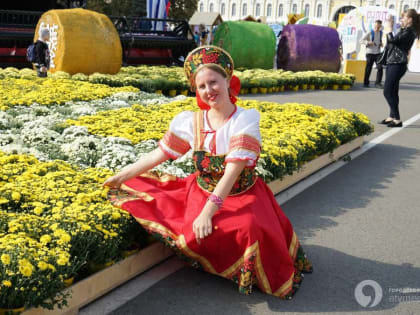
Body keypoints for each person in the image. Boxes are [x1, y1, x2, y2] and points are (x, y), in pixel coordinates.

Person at [103, 46, 313, 299]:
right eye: (201, 87)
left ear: (228, 81)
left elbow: (232, 172)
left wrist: (207, 213)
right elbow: (159, 155)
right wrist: (122, 176)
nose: (208, 91)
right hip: (200, 192)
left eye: (213, 82)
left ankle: (251, 273)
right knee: (190, 235)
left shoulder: (244, 119)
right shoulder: (191, 122)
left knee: (249, 228)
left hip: (242, 193)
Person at [379, 9, 419, 128]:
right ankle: (392, 116)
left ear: (410, 20)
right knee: (393, 91)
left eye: (404, 18)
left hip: (398, 63)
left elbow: (392, 40)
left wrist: (390, 28)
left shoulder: (410, 32)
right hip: (393, 62)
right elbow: (391, 43)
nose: (402, 20)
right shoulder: (405, 30)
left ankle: (397, 118)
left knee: (387, 91)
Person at [361, 20, 384, 88]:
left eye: (378, 25)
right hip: (370, 53)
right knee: (368, 68)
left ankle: (377, 83)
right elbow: (361, 40)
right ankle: (366, 83)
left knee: (380, 67)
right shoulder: (370, 32)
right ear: (374, 25)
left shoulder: (381, 33)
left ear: (380, 26)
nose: (377, 27)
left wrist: (380, 43)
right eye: (376, 25)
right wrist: (368, 43)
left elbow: (379, 40)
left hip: (377, 53)